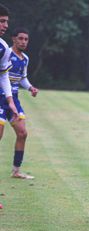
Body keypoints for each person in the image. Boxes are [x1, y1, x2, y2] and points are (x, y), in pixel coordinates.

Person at [0, 28, 39, 179]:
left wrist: (30, 87)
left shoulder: (25, 59)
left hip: (14, 99)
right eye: (20, 38)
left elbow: (22, 77)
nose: (23, 41)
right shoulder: (5, 52)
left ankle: (16, 171)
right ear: (13, 39)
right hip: (1, 97)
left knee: (22, 133)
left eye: (26, 39)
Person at [0, 4, 22, 180]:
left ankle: (16, 170)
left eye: (6, 22)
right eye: (2, 21)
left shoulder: (3, 48)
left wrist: (11, 101)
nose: (5, 26)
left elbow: (3, 75)